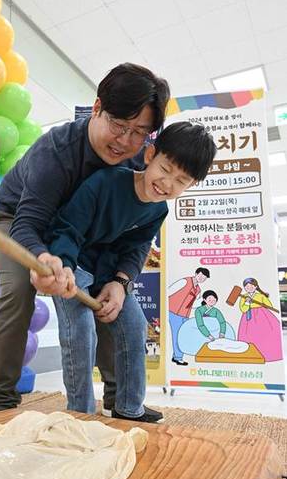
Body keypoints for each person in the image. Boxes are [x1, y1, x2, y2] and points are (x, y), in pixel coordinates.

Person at [0, 63, 170, 415]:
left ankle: (119, 399)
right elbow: (27, 223)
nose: (126, 142)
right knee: (19, 291)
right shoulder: (56, 150)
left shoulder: (134, 163)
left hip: (78, 232)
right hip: (17, 219)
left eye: (139, 133)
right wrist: (45, 258)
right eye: (119, 125)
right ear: (97, 107)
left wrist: (121, 280)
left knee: (108, 301)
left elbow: (136, 236)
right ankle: (0, 400)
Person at [44, 122, 216, 421]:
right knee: (81, 330)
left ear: (191, 186)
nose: (167, 183)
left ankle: (128, 407)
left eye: (182, 180)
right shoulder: (106, 182)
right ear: (150, 155)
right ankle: (80, 413)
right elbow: (67, 229)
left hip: (109, 274)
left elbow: (136, 249)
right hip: (73, 266)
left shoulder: (158, 210)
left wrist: (121, 282)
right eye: (166, 169)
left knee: (135, 326)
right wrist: (66, 268)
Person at [168, 267, 210, 366]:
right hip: (171, 311)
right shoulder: (184, 281)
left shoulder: (198, 290)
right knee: (176, 335)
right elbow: (168, 291)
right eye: (201, 275)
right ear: (196, 273)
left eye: (204, 277)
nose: (202, 278)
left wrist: (203, 303)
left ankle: (177, 357)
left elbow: (193, 304)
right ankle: (178, 357)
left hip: (184, 315)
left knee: (181, 336)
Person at [238, 277, 283, 361]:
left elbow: (269, 305)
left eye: (251, 286)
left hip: (263, 316)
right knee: (249, 336)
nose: (249, 288)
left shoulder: (260, 296)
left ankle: (269, 355)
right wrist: (247, 302)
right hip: (248, 318)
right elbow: (243, 309)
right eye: (247, 287)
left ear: (255, 287)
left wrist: (262, 303)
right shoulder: (244, 297)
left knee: (266, 334)